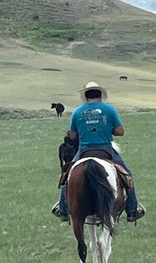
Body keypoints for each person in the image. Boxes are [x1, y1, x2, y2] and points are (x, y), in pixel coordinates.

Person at [52, 81, 145, 223]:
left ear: (86, 97)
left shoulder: (77, 112)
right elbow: (120, 131)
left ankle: (63, 210)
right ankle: (132, 211)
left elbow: (72, 136)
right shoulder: (110, 110)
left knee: (67, 176)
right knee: (127, 175)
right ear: (101, 95)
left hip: (84, 151)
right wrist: (107, 130)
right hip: (106, 149)